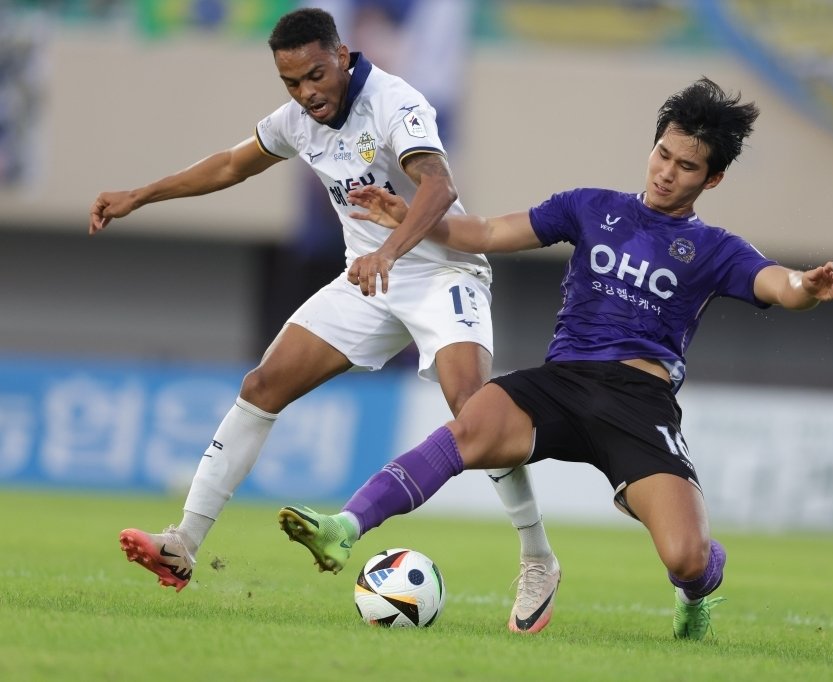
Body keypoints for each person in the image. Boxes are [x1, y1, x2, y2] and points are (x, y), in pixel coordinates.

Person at [279, 77, 833, 639]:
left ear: (714, 178)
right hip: (562, 382)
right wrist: (407, 216)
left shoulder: (716, 248)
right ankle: (344, 525)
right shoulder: (589, 207)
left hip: (637, 403)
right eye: (662, 153)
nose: (665, 172)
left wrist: (807, 284)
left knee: (685, 558)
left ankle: (699, 584)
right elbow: (486, 230)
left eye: (686, 166)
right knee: (469, 425)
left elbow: (778, 284)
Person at [87, 8, 560, 633]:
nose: (306, 93)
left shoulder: (395, 101)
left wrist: (389, 250)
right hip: (366, 282)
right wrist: (139, 195)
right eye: (290, 82)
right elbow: (230, 165)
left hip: (442, 271)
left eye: (315, 74)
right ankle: (183, 543)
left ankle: (537, 558)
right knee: (262, 386)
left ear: (342, 53)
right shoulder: (296, 122)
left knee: (475, 412)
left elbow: (439, 187)